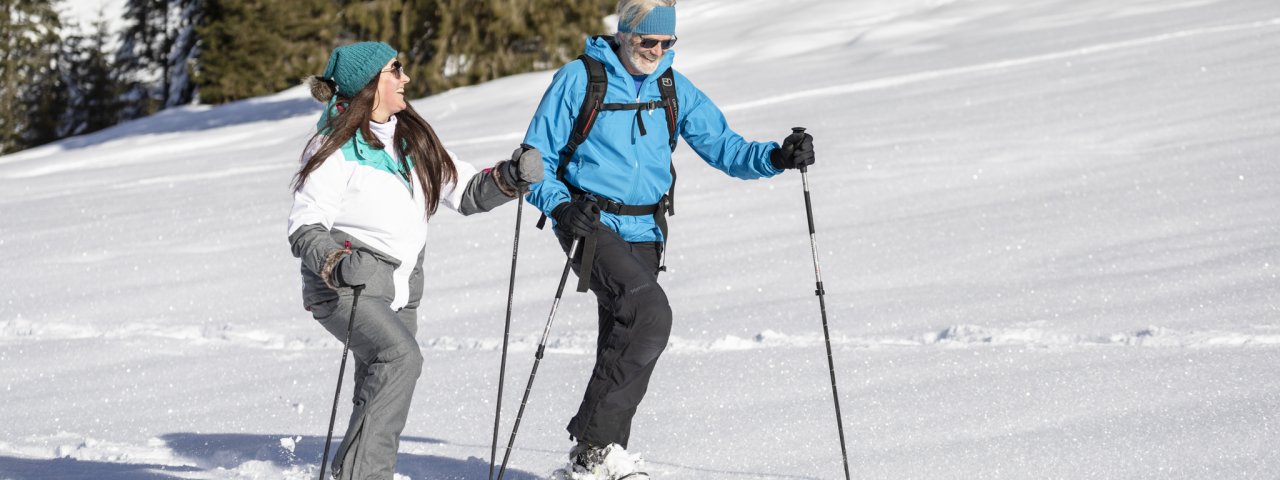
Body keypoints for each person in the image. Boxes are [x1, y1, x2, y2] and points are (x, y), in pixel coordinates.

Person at [522, 0, 816, 474]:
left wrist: (777, 157)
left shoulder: (671, 86)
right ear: (624, 35)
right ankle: (595, 447)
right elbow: (534, 160)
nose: (656, 50)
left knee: (623, 336)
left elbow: (724, 146)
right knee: (649, 315)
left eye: (666, 42)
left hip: (648, 230)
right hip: (589, 223)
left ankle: (595, 463)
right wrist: (560, 205)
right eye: (647, 40)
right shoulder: (580, 79)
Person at [287, 41, 542, 479]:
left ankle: (353, 471)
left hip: (400, 290)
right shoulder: (332, 147)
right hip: (348, 286)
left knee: (381, 378)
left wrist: (510, 177)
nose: (406, 77)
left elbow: (464, 192)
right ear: (370, 84)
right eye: (395, 69)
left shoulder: (411, 140)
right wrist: (335, 263)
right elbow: (304, 227)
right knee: (400, 359)